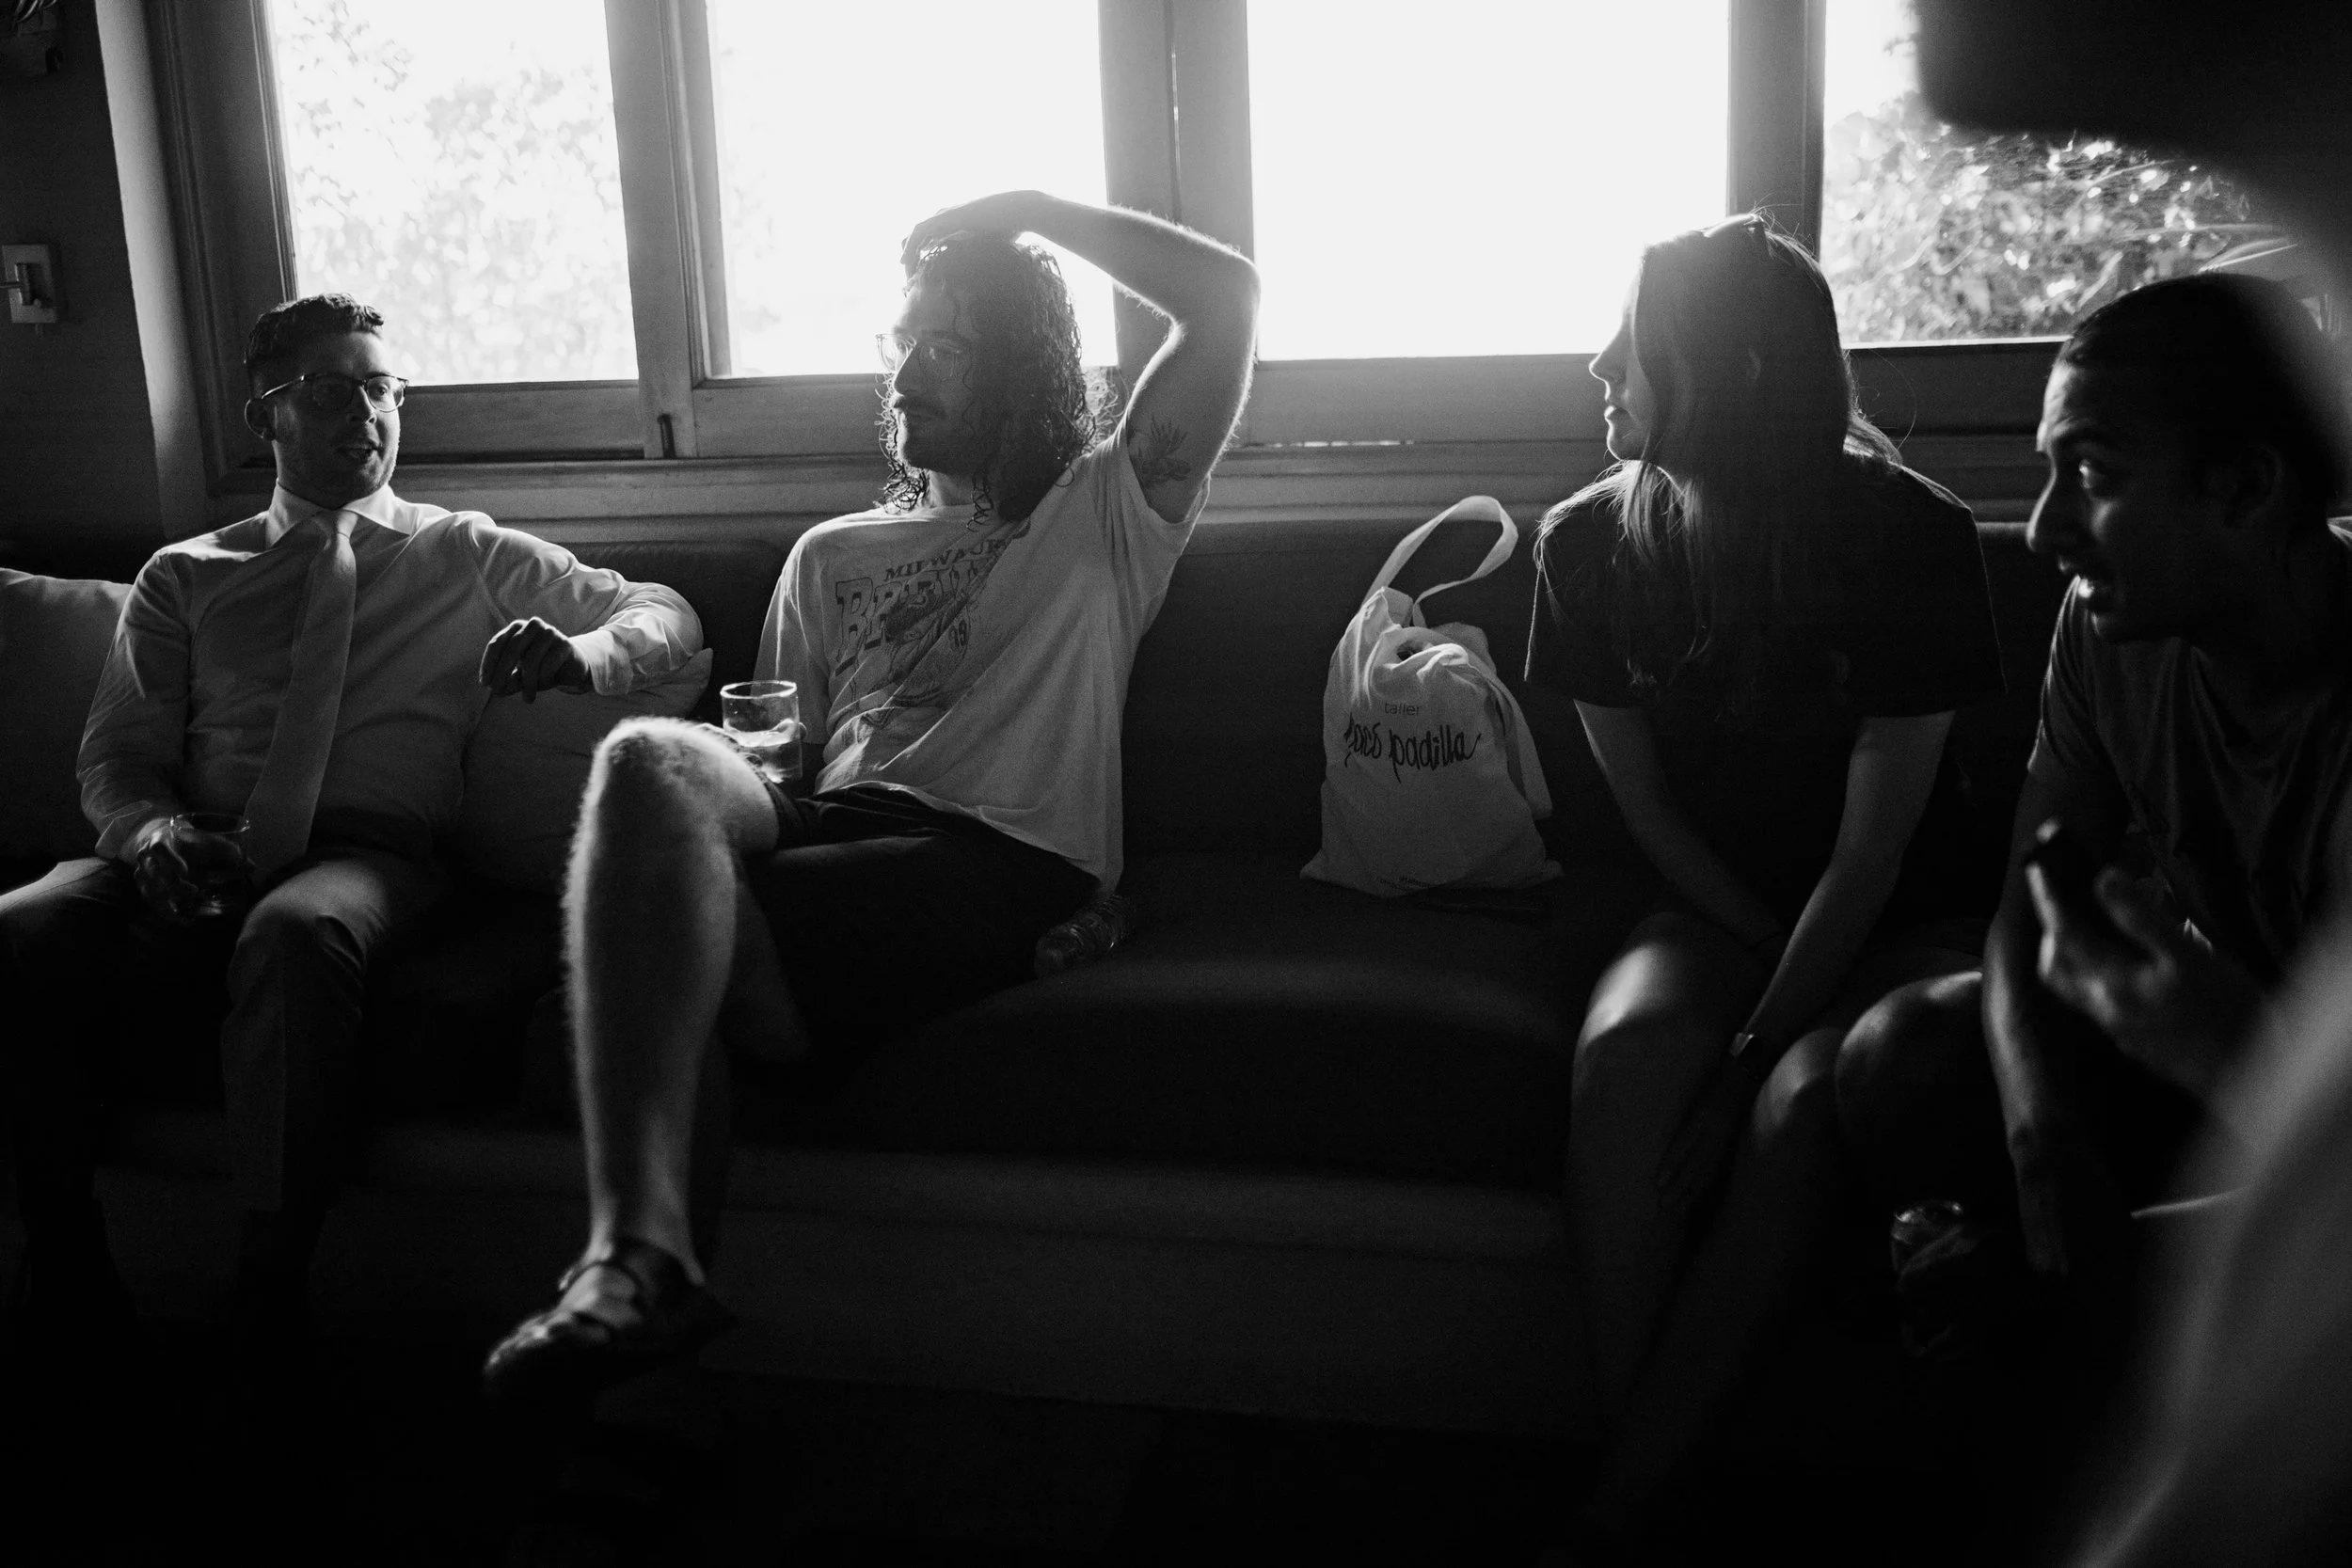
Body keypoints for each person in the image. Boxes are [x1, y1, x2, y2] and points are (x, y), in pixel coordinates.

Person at [479, 191, 1259, 1404]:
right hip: (824, 820)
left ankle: (635, 1303)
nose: (905, 376)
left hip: (986, 852)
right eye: (902, 343)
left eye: (945, 346)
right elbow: (781, 764)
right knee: (643, 760)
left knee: (644, 980)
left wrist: (1033, 210)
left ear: (1022, 363)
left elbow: (1225, 300)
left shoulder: (1105, 510)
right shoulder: (829, 554)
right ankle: (638, 1274)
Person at [0, 293, 703, 1356]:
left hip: (369, 855)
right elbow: (116, 757)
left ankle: (269, 1284)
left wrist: (585, 654)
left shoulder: (464, 551)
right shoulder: (185, 574)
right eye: (330, 391)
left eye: (382, 389)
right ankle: (65, 1260)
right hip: (189, 841)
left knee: (298, 933)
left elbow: (664, 610)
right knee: (24, 926)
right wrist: (150, 837)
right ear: (264, 417)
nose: (366, 414)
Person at [1524, 214, 2004, 1545]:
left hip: (1904, 915)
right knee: (1625, 1061)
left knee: (1800, 1100)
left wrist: (1757, 1047)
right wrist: (1750, 966)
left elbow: (1874, 851)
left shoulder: (1913, 537)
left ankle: (1621, 1515)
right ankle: (1659, 1484)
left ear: (1735, 369)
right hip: (1714, 901)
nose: (1600, 363)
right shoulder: (1583, 546)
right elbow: (1647, 808)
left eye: (1637, 338)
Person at [1836, 273, 2352, 1372]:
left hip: (2307, 1120)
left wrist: (2091, 1250)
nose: (2040, 530)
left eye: (2094, 475)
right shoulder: (2106, 626)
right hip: (2214, 1072)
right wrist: (2042, 1147)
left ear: (2247, 486)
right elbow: (2027, 907)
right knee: (1898, 1053)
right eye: (2046, 470)